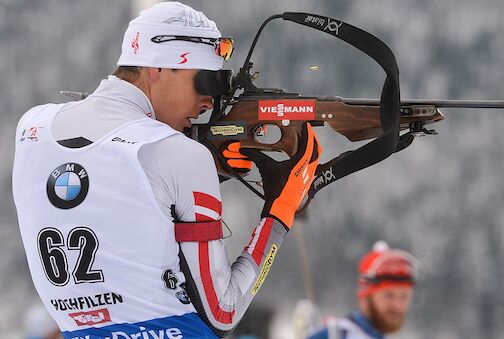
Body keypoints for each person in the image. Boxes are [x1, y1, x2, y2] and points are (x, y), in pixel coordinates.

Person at [12, 2, 321, 339]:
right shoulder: (176, 153)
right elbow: (224, 312)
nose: (209, 103)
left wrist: (210, 169)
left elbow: (116, 196)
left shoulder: (33, 129)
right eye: (206, 81)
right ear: (157, 68)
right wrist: (281, 210)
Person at [307, 241, 416, 339]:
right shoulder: (336, 335)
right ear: (366, 296)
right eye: (388, 295)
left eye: (404, 296)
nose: (397, 305)